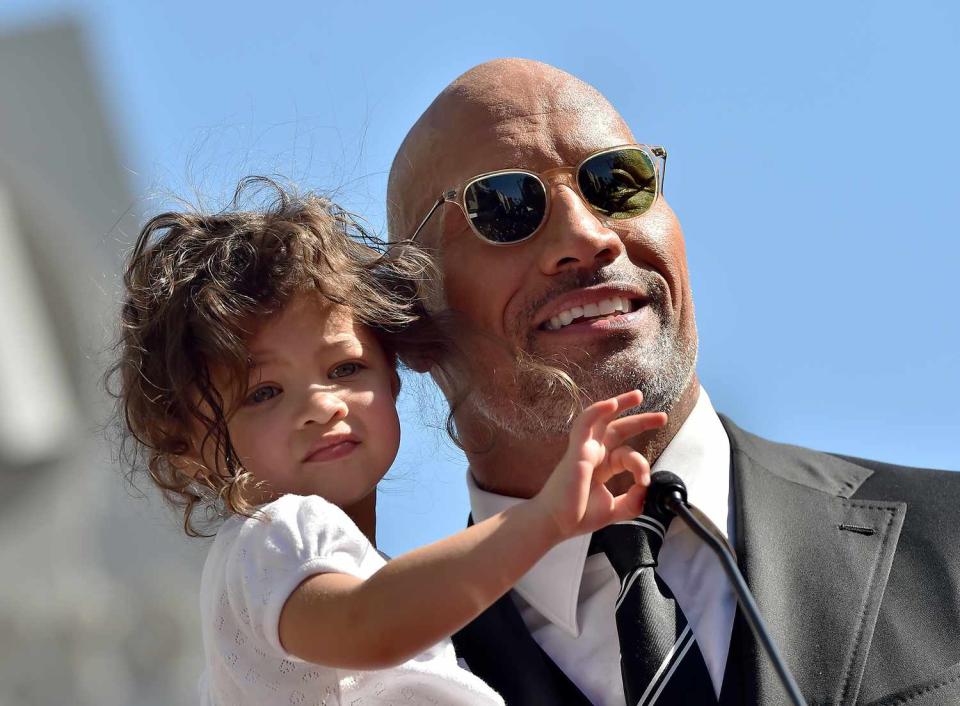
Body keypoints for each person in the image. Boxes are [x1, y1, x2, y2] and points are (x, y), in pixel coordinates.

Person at [386, 59, 960, 705]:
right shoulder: (360, 675)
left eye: (615, 181)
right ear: (410, 324)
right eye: (506, 207)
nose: (588, 235)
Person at [109, 177, 668, 705]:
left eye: (346, 369)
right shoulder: (273, 538)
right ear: (189, 449)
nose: (322, 405)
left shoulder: (364, 574)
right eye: (263, 393)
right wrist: (543, 519)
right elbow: (368, 625)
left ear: (392, 376)